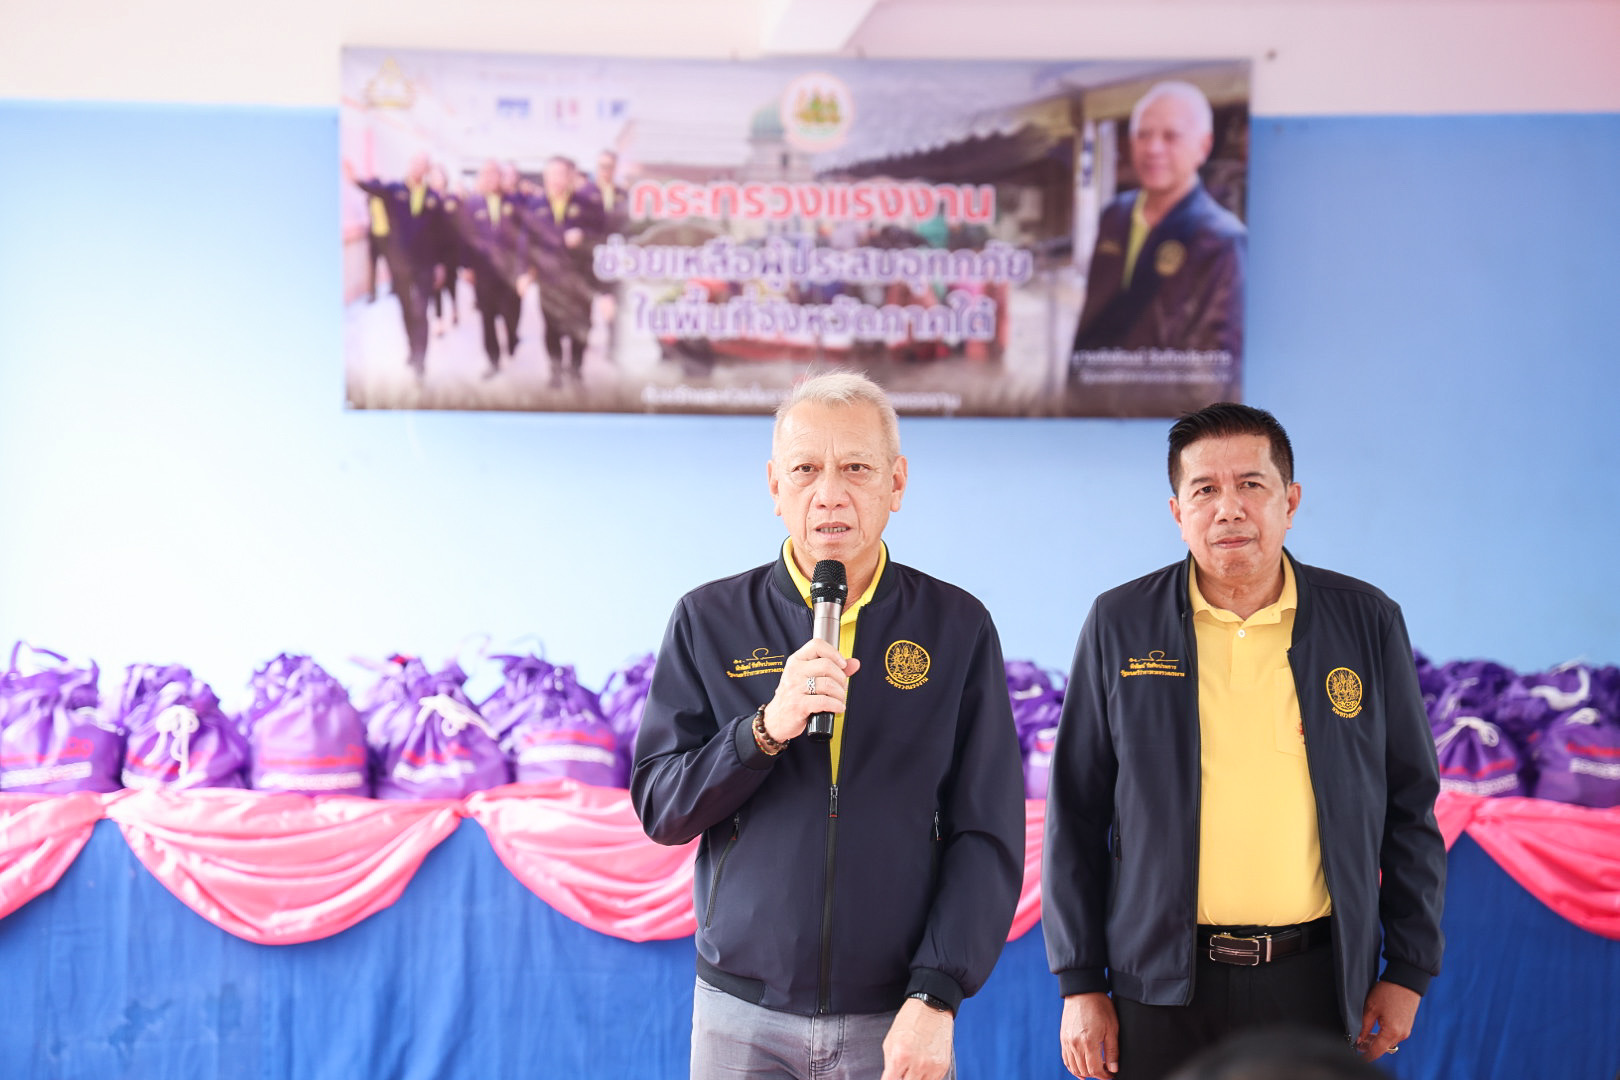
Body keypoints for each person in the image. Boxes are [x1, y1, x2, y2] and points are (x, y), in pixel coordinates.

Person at [632, 371, 1026, 1080]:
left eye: (857, 469)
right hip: (740, 1012)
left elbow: (987, 833)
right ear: (774, 486)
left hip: (898, 1015)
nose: (830, 493)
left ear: (896, 483)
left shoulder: (957, 627)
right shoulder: (707, 620)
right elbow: (663, 807)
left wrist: (936, 994)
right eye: (806, 469)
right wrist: (763, 730)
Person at [1042, 403, 1445, 1080]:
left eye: (1251, 484)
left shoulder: (1365, 621)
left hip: (1314, 981)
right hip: (1160, 987)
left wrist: (1408, 968)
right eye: (1204, 489)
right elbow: (1075, 814)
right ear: (1178, 512)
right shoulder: (1120, 623)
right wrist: (1080, 983)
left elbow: (1411, 809)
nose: (1228, 508)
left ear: (1290, 501)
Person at [1069, 82, 1246, 413]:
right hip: (1094, 413)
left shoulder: (1221, 239)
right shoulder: (1115, 215)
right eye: (1143, 135)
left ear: (1204, 145)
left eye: (1170, 136)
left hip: (1163, 423)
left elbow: (1213, 374)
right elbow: (1090, 323)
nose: (1153, 148)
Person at [346, 152, 451, 374]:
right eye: (415, 163)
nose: (418, 168)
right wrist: (355, 179)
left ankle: (420, 359)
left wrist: (441, 265)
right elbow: (373, 188)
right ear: (410, 165)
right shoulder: (395, 190)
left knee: (421, 311)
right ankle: (412, 350)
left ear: (427, 170)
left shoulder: (433, 198)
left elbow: (443, 235)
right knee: (406, 310)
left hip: (425, 265)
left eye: (423, 165)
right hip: (400, 264)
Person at [526, 155, 603, 386]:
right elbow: (525, 241)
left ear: (571, 176)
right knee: (551, 327)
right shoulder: (535, 205)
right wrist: (524, 271)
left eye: (561, 174)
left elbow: (603, 238)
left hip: (580, 277)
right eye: (551, 174)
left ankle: (576, 369)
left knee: (581, 325)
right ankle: (556, 370)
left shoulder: (588, 204)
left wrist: (584, 237)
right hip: (549, 278)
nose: (556, 179)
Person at [453, 159, 527, 375]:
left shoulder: (515, 202)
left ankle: (512, 338)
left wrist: (523, 270)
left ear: (501, 177)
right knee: (487, 316)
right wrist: (466, 266)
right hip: (483, 271)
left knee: (512, 311)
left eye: (495, 173)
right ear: (481, 178)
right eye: (486, 174)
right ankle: (493, 361)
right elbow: (465, 237)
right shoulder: (472, 204)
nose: (491, 178)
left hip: (510, 271)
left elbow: (524, 239)